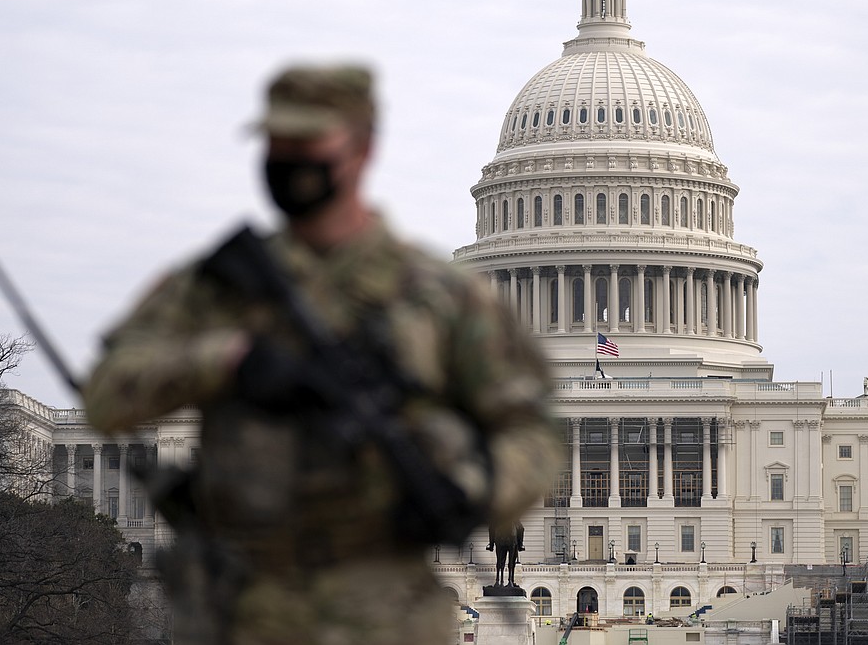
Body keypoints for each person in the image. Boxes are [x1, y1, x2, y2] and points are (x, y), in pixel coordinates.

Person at [84, 63, 561, 645]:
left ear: (362, 149)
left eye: (310, 144)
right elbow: (105, 395)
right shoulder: (216, 288)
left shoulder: (440, 297)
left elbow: (535, 436)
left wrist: (471, 488)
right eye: (278, 144)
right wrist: (228, 358)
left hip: (386, 618)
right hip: (241, 613)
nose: (290, 160)